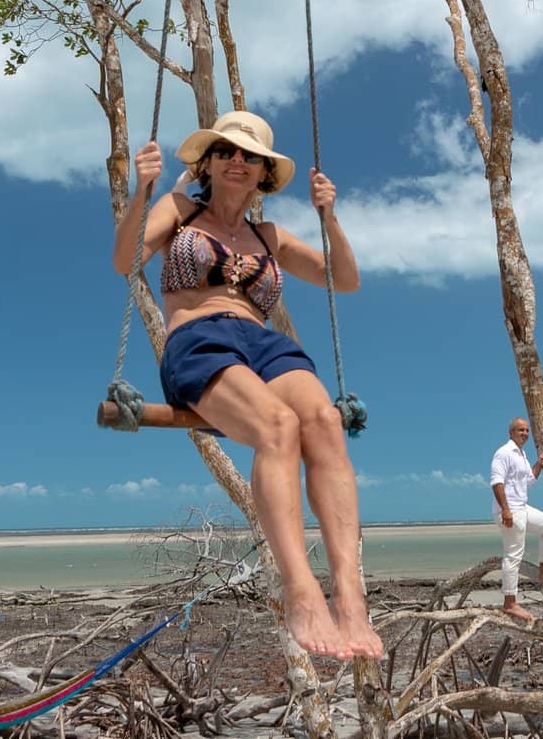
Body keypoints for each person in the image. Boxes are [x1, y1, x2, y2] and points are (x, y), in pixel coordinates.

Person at [113, 111, 382, 661]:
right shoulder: (180, 210)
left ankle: (350, 595)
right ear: (208, 163)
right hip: (199, 339)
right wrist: (143, 190)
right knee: (278, 426)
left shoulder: (269, 236)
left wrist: (329, 218)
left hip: (265, 344)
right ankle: (301, 591)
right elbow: (126, 261)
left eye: (250, 155)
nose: (237, 160)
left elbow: (346, 279)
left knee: (324, 421)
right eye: (226, 151)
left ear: (264, 172)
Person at [490, 417, 543, 622]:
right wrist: (505, 510)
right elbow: (496, 483)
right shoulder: (503, 453)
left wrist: (539, 464)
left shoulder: (521, 454)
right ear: (511, 432)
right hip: (510, 510)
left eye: (527, 430)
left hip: (522, 508)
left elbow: (528, 480)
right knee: (513, 555)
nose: (525, 434)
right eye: (521, 430)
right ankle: (510, 603)